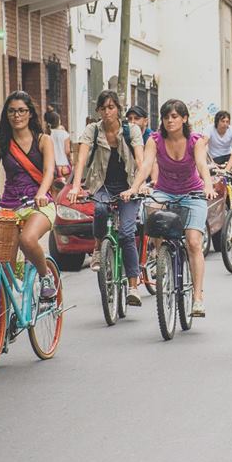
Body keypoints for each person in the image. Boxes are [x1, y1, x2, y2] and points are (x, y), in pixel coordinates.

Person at [122, 100, 217, 317]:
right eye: (166, 117)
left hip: (192, 193)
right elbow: (146, 165)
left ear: (184, 119)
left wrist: (208, 186)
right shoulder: (155, 140)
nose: (170, 120)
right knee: (151, 213)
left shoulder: (195, 141)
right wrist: (134, 188)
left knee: (193, 242)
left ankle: (198, 298)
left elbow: (202, 165)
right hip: (164, 191)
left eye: (175, 116)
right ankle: (161, 256)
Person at [0, 91, 58, 299]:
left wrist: (42, 193)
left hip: (39, 204)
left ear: (30, 114)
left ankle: (46, 276)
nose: (17, 115)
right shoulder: (1, 142)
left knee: (28, 239)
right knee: (4, 260)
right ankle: (6, 316)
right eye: (12, 111)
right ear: (6, 115)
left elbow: (49, 171)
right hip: (10, 205)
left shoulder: (44, 140)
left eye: (22, 111)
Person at [66, 91, 146, 305]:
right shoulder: (92, 130)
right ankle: (99, 246)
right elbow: (81, 160)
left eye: (111, 107)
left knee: (128, 234)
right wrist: (75, 187)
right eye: (103, 108)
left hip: (129, 186)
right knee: (100, 210)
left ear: (118, 109)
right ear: (98, 111)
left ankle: (133, 286)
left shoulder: (132, 130)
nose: (108, 111)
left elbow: (140, 158)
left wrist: (141, 185)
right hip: (102, 185)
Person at [45, 111, 71, 179]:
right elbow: (67, 150)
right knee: (65, 188)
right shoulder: (65, 134)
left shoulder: (47, 134)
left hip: (52, 167)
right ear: (58, 121)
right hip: (64, 166)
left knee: (54, 188)